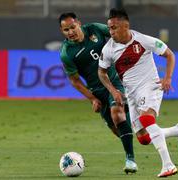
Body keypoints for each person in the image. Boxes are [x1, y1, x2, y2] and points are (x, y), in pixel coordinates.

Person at [98, 8, 178, 178]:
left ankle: (168, 165)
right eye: (109, 28)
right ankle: (177, 130)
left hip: (150, 86)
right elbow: (101, 73)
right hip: (131, 94)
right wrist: (113, 90)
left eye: (114, 27)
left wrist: (167, 78)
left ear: (126, 26)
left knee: (146, 119)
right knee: (144, 138)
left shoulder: (143, 40)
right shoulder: (108, 49)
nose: (111, 32)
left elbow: (170, 54)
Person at [58, 12, 138, 173]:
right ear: (62, 32)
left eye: (73, 27)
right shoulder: (67, 53)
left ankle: (130, 160)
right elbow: (75, 81)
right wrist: (92, 99)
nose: (71, 32)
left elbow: (116, 34)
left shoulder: (94, 29)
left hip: (114, 80)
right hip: (97, 90)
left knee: (117, 114)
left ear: (79, 23)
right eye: (66, 30)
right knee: (117, 128)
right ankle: (134, 117)